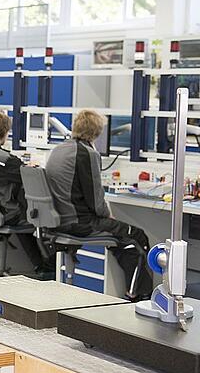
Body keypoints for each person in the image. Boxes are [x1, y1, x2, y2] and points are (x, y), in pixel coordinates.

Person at [45, 109, 153, 299]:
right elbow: (95, 200)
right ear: (96, 132)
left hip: (60, 219)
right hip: (80, 222)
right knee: (137, 236)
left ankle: (129, 290)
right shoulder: (87, 154)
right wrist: (107, 215)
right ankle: (139, 296)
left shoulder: (59, 149)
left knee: (122, 238)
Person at [0, 111, 54, 277]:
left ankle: (40, 265)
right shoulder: (7, 160)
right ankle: (47, 266)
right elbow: (26, 176)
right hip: (7, 213)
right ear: (4, 133)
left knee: (23, 214)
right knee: (38, 216)